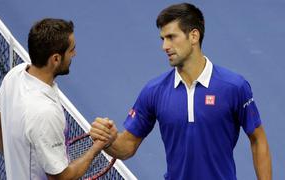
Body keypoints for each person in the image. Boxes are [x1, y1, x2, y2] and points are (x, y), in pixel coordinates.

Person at [90, 3, 272, 180]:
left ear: (194, 36)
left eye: (171, 37)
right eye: (163, 39)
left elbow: (258, 140)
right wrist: (108, 140)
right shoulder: (154, 91)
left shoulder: (234, 86)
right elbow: (127, 147)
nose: (165, 46)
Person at [0, 18, 110, 180]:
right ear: (56, 59)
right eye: (71, 50)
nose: (75, 54)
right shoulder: (45, 113)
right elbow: (61, 178)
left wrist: (19, 162)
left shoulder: (14, 75)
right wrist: (96, 147)